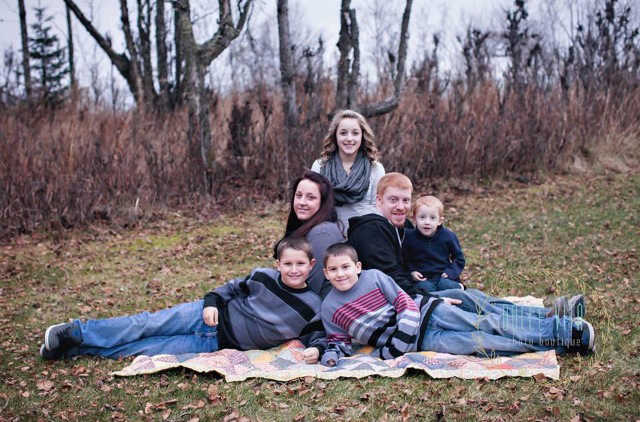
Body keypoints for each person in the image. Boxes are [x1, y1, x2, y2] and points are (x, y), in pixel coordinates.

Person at [40, 237, 326, 362]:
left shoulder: (312, 307)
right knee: (145, 324)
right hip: (202, 314)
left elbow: (317, 338)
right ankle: (77, 331)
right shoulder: (262, 276)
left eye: (300, 264)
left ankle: (71, 350)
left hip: (215, 343)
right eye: (287, 264)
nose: (293, 270)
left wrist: (318, 352)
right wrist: (211, 303)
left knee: (147, 348)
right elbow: (224, 290)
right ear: (278, 264)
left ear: (311, 265)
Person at [348, 172, 585, 318]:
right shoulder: (370, 232)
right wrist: (431, 298)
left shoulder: (405, 229)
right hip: (395, 303)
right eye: (393, 200)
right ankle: (547, 316)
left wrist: (447, 277)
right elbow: (391, 279)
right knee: (468, 300)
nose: (400, 206)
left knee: (470, 296)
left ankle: (547, 313)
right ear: (379, 201)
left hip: (418, 289)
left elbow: (428, 256)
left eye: (405, 201)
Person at [319, 243, 595, 366]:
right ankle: (561, 343)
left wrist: (393, 350)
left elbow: (405, 305)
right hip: (424, 342)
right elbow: (339, 340)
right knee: (485, 343)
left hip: (430, 313)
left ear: (357, 266)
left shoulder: (375, 278)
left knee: (489, 321)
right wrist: (332, 355)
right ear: (325, 273)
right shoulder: (331, 307)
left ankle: (563, 328)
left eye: (345, 267)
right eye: (333, 270)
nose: (340, 274)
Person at [311, 109, 385, 236]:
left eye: (355, 133)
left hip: (366, 233)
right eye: (343, 133)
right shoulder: (319, 166)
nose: (349, 138)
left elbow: (379, 208)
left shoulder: (375, 168)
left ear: (362, 136)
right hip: (329, 231)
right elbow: (314, 204)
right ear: (335, 136)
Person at [274, 171, 345, 298]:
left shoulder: (323, 233)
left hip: (319, 309)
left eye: (310, 197)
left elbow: (312, 285)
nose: (302, 202)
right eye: (299, 195)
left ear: (322, 203)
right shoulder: (305, 226)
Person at [403, 195, 466, 292]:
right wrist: (412, 271)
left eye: (432, 218)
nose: (427, 222)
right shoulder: (409, 237)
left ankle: (460, 288)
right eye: (422, 217)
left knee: (445, 286)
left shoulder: (448, 236)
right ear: (415, 219)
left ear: (440, 221)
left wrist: (451, 272)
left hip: (443, 276)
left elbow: (459, 258)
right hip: (423, 278)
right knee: (425, 289)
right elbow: (405, 258)